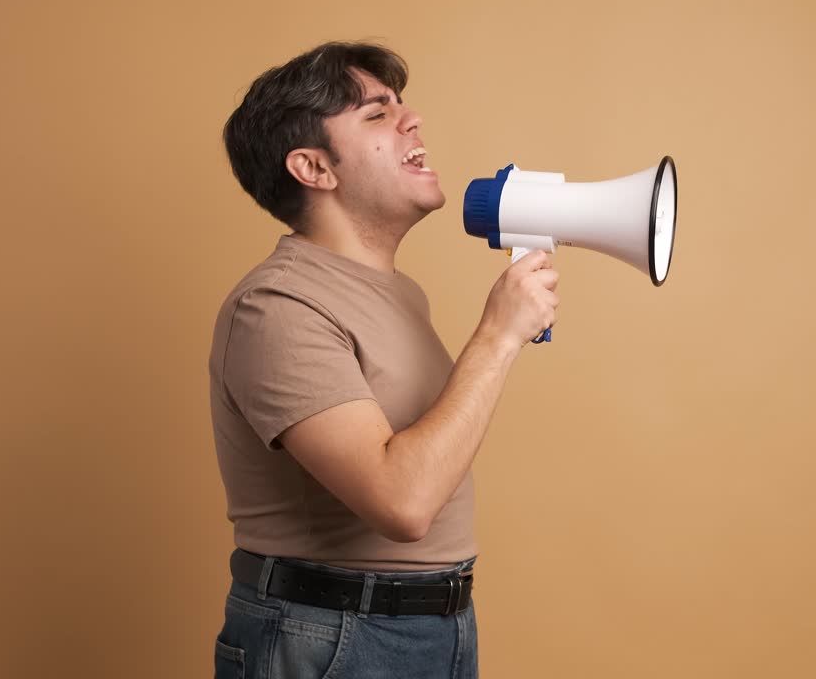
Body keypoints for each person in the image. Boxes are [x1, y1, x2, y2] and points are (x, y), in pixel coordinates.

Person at [207, 40, 560, 679]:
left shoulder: (399, 294)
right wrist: (498, 336)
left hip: (432, 628)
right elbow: (403, 502)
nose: (412, 119)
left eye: (401, 104)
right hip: (329, 637)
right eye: (376, 114)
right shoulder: (278, 306)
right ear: (313, 168)